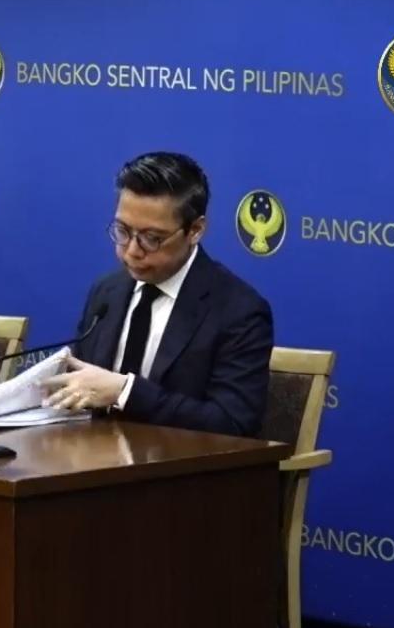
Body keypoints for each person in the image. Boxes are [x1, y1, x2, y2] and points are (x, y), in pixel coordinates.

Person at [43, 152, 273, 437]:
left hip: (180, 475)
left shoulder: (238, 310)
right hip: (91, 464)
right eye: (122, 231)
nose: (131, 251)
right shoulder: (106, 292)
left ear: (196, 230)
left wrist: (125, 391)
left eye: (152, 238)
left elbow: (232, 424)